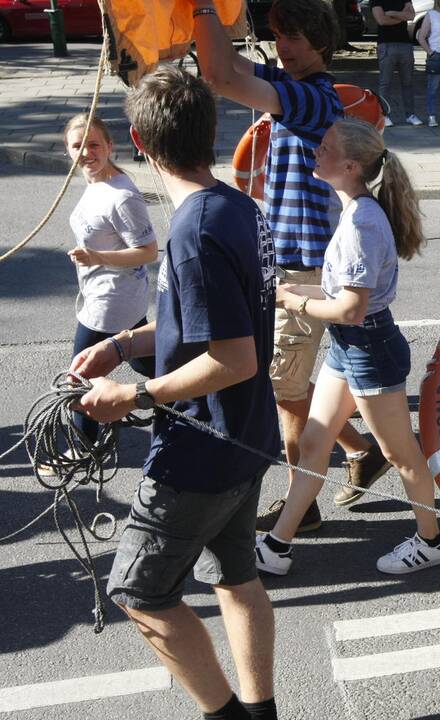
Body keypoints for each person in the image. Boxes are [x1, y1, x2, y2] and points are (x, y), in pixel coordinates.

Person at [74, 66, 281, 720]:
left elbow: (234, 356)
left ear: (137, 139)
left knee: (140, 593)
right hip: (245, 439)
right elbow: (209, 320)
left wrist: (136, 396)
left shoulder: (193, 232)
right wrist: (126, 344)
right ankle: (261, 711)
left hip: (200, 453)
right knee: (237, 580)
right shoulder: (233, 207)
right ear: (212, 131)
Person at [193, 0, 390, 530]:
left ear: (322, 43)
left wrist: (202, 7)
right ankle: (360, 450)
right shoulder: (291, 85)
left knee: (285, 390)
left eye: (295, 38)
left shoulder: (311, 99)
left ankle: (300, 507)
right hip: (288, 262)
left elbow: (217, 75)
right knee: (291, 385)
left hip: (303, 270)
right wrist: (215, 20)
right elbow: (227, 68)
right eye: (279, 35)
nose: (283, 46)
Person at [254, 118, 440, 576]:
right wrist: (289, 294)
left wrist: (294, 299)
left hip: (367, 347)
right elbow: (344, 302)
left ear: (351, 164)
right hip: (351, 347)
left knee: (401, 454)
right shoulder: (354, 210)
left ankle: (432, 540)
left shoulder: (362, 220)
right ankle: (277, 546)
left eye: (324, 148)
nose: (315, 153)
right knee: (316, 442)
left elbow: (351, 309)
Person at [60, 113, 157, 454]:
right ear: (68, 151)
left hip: (111, 300)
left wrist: (96, 257)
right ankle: (192, 398)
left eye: (94, 144)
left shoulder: (122, 195)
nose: (86, 152)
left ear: (110, 146)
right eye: (77, 146)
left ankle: (83, 446)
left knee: (80, 372)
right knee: (148, 360)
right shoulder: (95, 182)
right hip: (111, 295)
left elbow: (147, 252)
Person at [372, 0, 424, 127]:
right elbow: (381, 20)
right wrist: (401, 16)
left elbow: (411, 16)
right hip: (386, 44)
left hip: (405, 44)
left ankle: (410, 115)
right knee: (385, 83)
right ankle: (384, 116)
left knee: (408, 82)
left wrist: (392, 13)